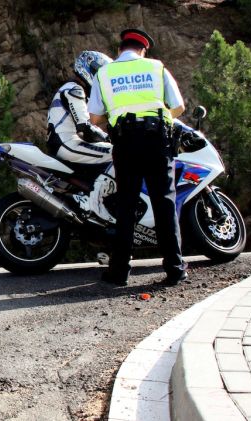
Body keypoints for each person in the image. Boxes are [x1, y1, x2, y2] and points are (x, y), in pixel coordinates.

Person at [87, 29, 188, 286]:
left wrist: (117, 115)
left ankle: (119, 272)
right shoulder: (156, 67)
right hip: (157, 140)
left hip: (126, 142)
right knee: (164, 203)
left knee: (126, 206)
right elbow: (178, 106)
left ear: (120, 49)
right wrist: (159, 118)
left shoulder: (104, 73)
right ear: (143, 50)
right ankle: (175, 269)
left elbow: (95, 117)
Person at [46, 50, 116, 223]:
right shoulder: (74, 89)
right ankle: (93, 202)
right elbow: (85, 127)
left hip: (63, 143)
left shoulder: (72, 89)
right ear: (88, 69)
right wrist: (110, 139)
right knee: (120, 153)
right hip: (67, 143)